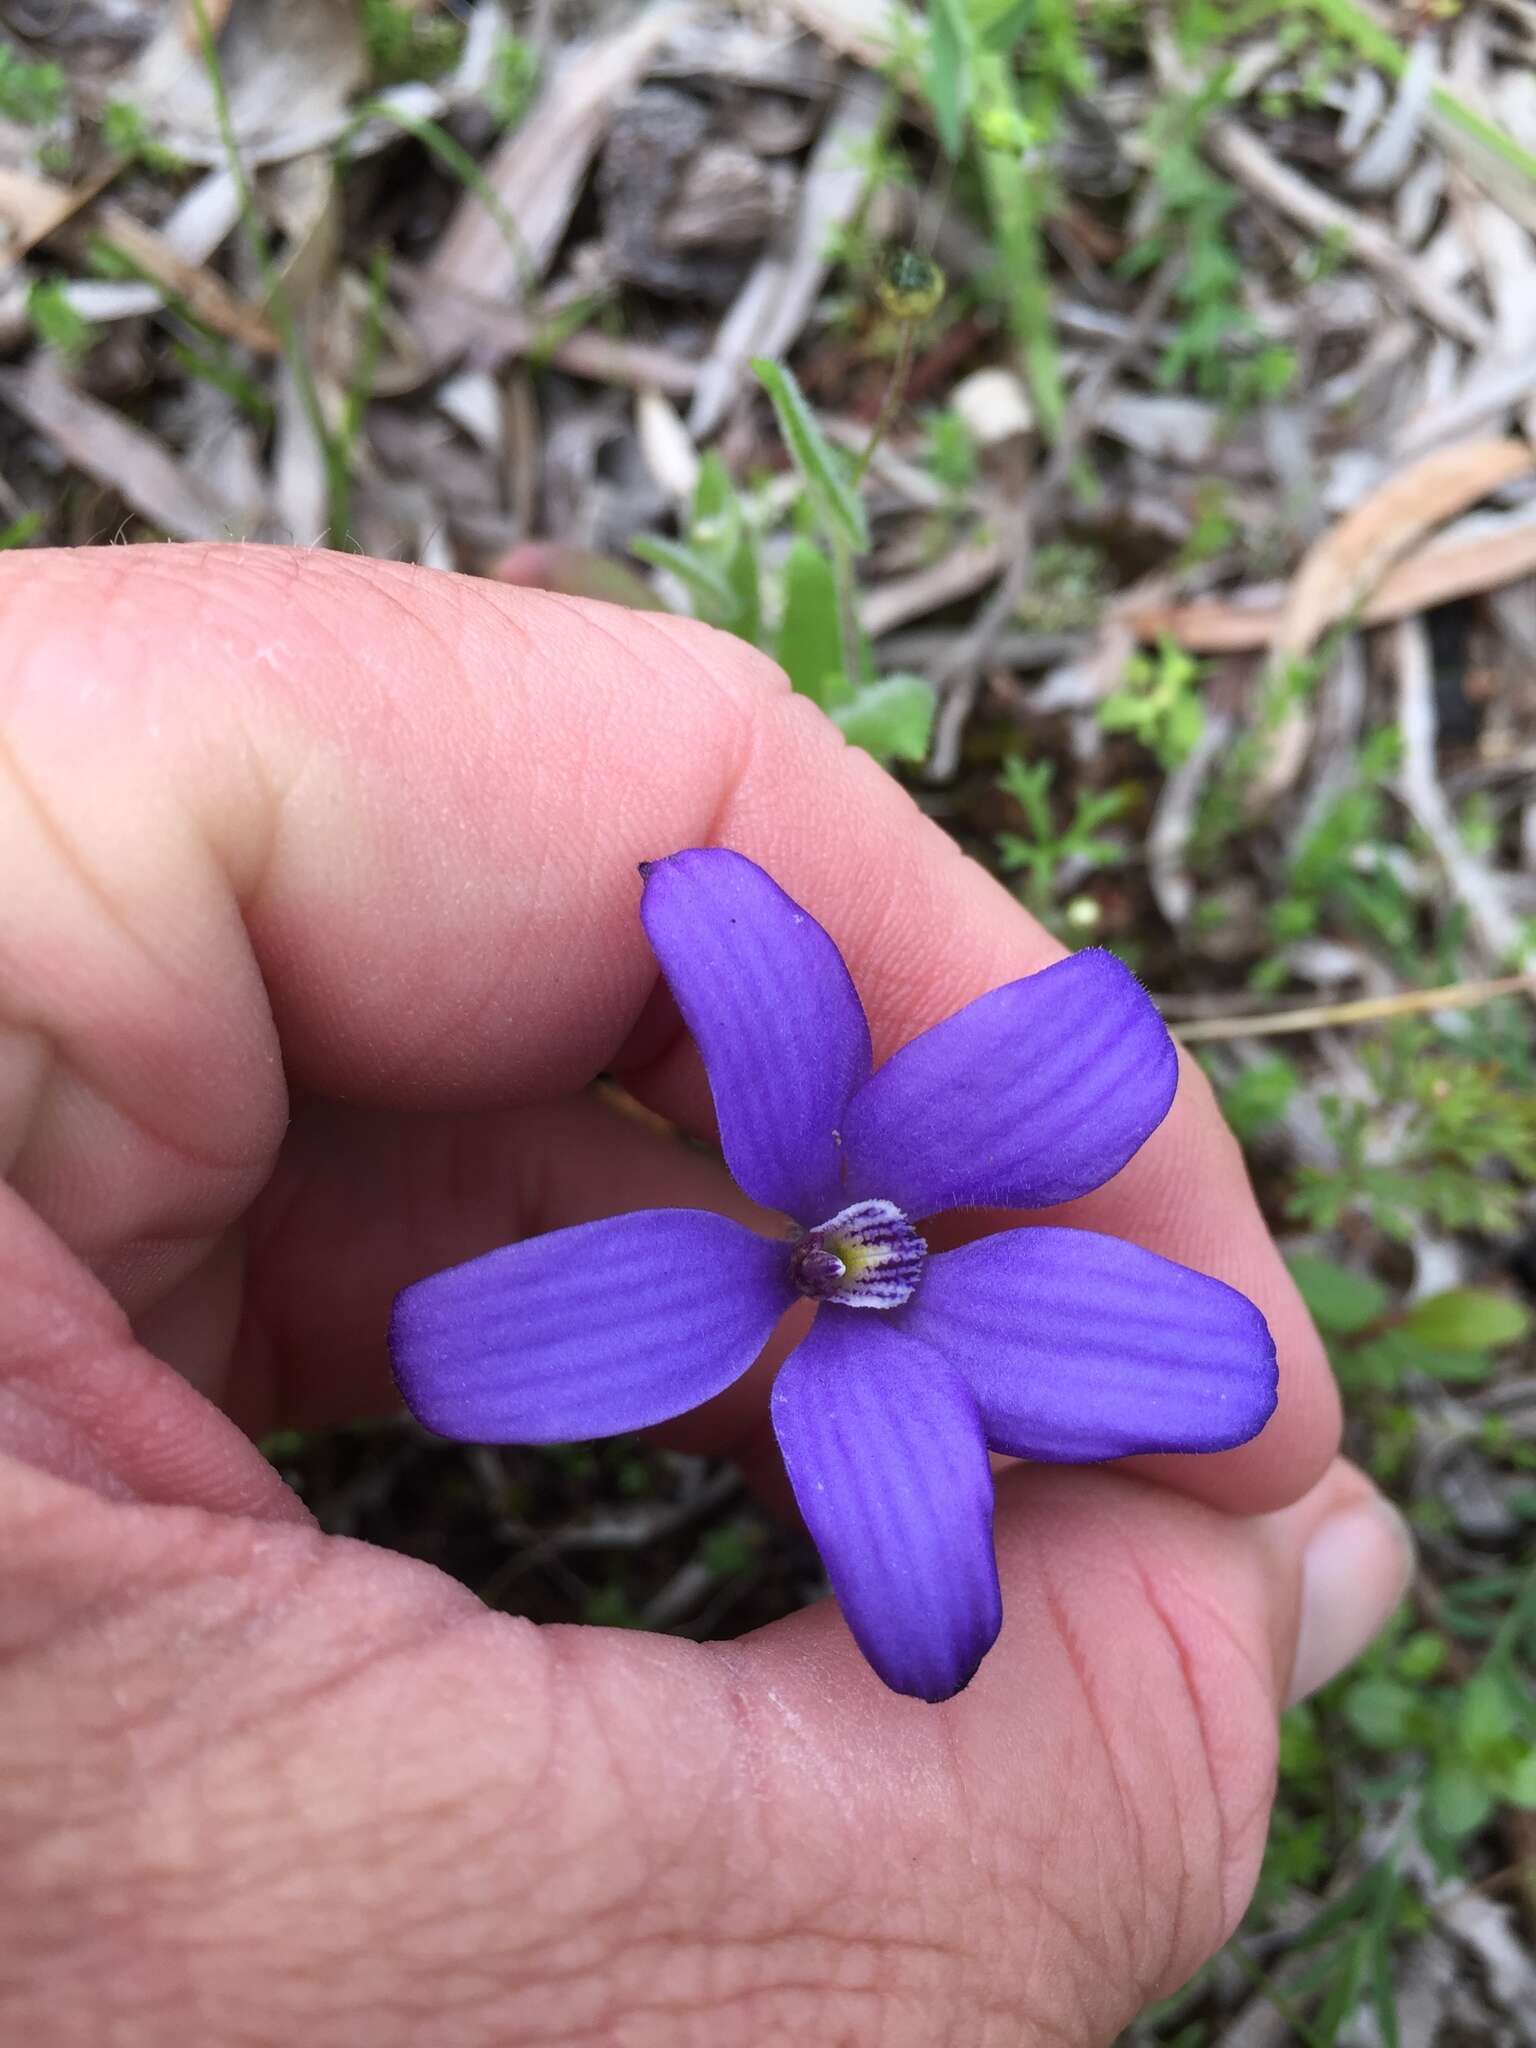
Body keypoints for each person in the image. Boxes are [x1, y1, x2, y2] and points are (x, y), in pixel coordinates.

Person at [0, 544, 1410, 2047]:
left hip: (871, 1307)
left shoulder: (879, 1306)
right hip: (748, 1259)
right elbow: (723, 924)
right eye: (857, 1250)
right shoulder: (782, 1254)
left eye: (874, 1253)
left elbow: (1116, 1092)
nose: (863, 1258)